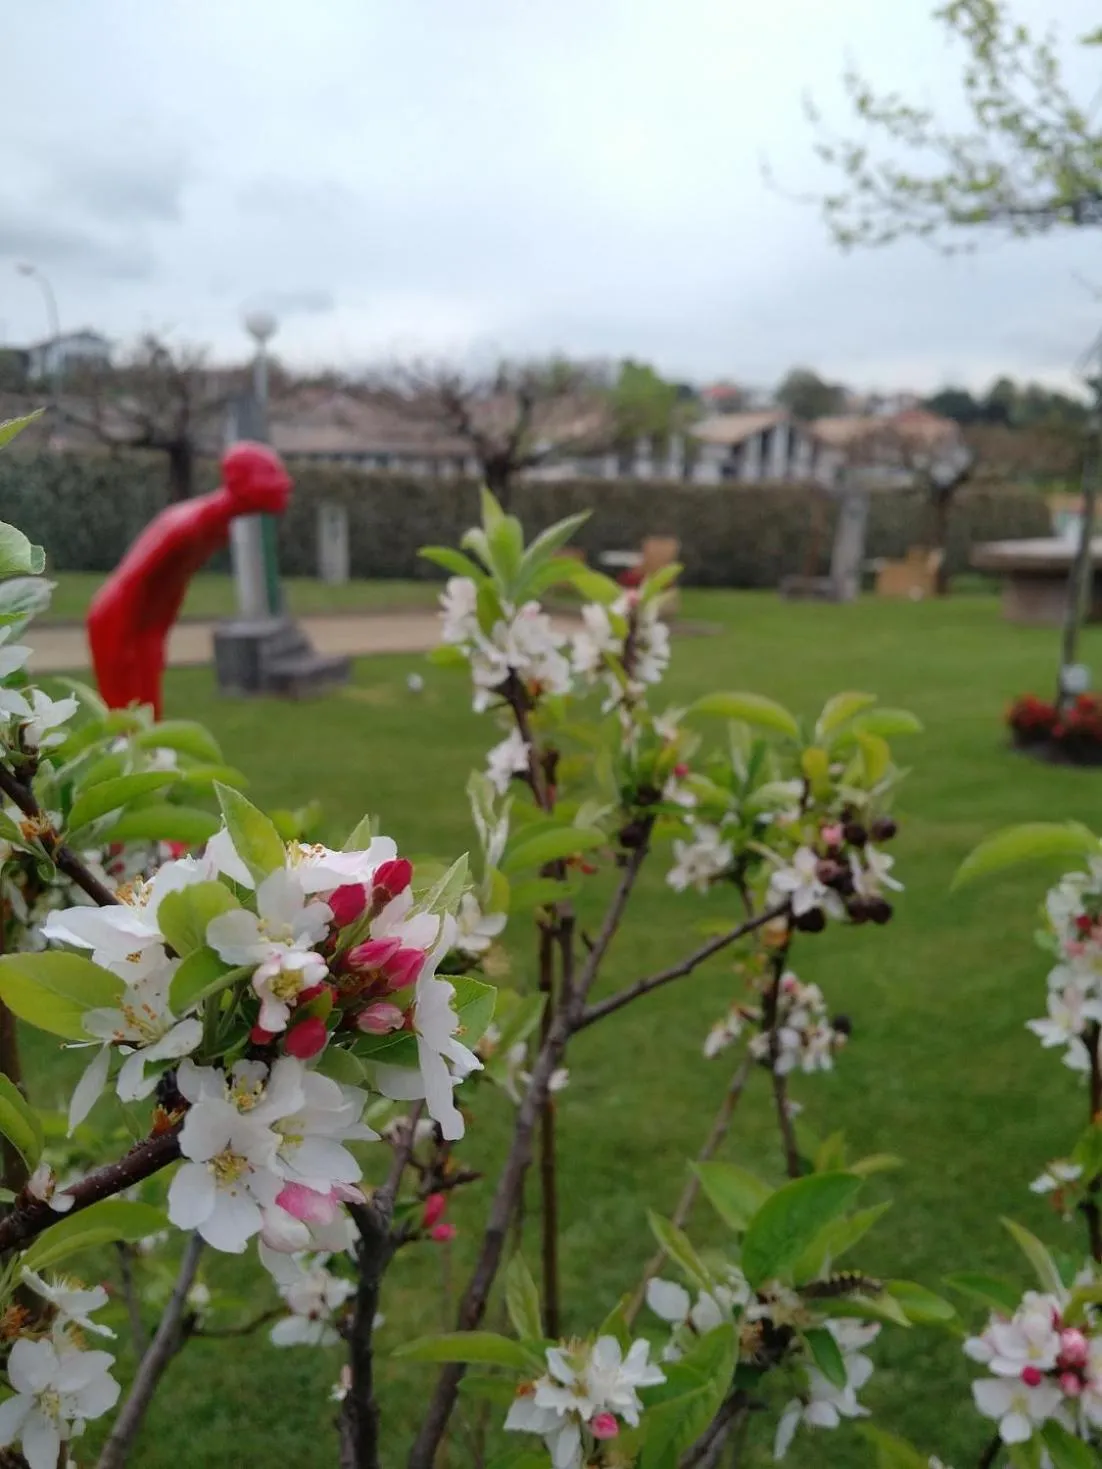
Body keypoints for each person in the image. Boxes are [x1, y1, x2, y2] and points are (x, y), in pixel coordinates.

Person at [87, 442, 291, 717]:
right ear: (238, 481)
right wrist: (127, 643)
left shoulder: (216, 528)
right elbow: (131, 583)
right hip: (120, 621)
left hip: (146, 625)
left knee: (147, 724)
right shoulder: (186, 525)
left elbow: (172, 584)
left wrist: (157, 633)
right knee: (127, 725)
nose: (285, 483)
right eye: (271, 474)